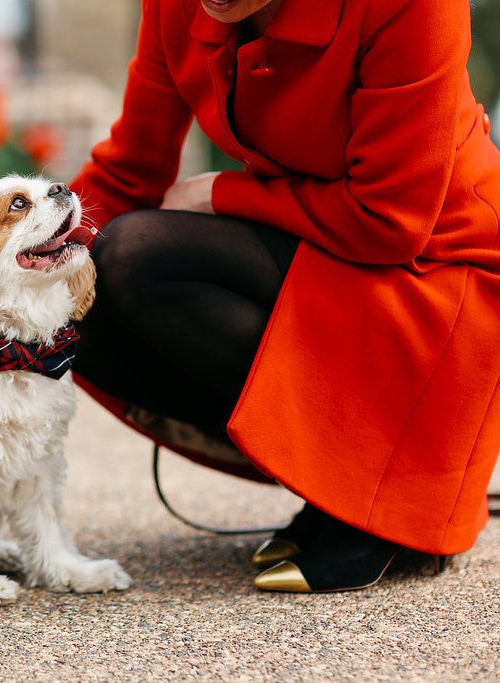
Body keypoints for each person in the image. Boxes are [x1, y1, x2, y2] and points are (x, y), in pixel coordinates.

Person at [68, 0, 500, 592]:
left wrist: (220, 193)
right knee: (69, 307)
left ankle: (378, 492)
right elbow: (125, 175)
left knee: (142, 254)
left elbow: (391, 221)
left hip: (437, 271)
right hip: (318, 240)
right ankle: (335, 482)